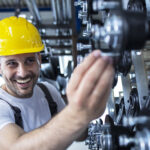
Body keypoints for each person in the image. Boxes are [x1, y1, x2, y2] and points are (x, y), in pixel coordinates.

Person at [0, 16, 114, 150]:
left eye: (29, 60)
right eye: (12, 63)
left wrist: (88, 111)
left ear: (39, 60)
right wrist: (77, 114)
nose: (23, 72)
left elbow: (79, 135)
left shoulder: (48, 92)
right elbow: (15, 147)